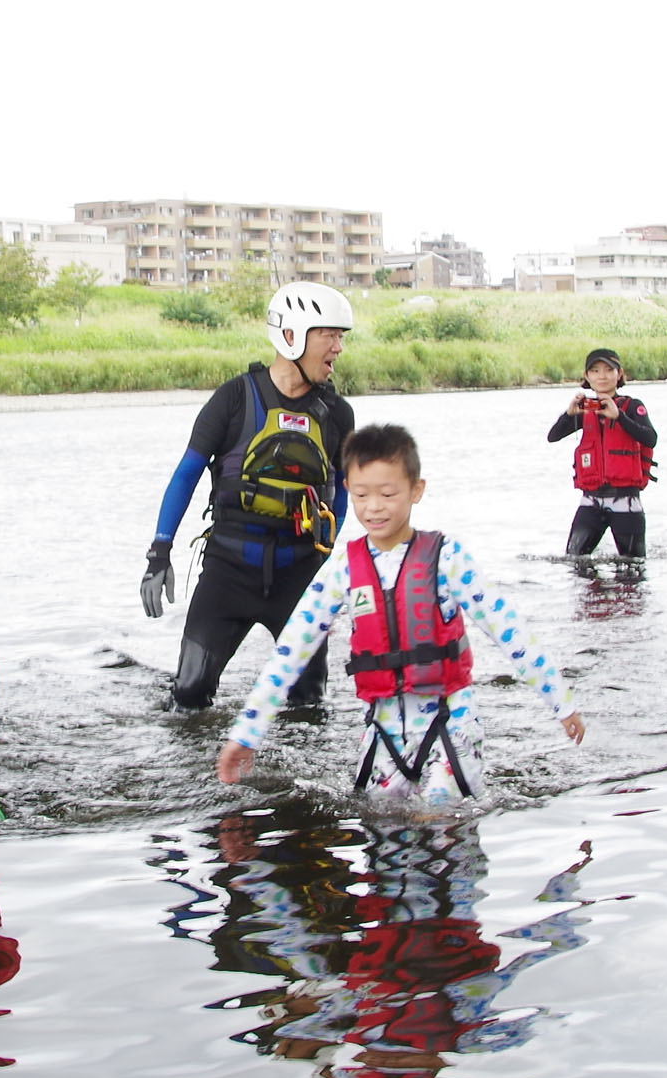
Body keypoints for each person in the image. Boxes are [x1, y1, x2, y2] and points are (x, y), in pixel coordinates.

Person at [216, 424, 585, 805]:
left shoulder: (448, 558)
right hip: (384, 729)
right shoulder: (343, 568)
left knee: (439, 813)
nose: (374, 507)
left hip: (451, 722)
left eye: (388, 494)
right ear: (347, 491)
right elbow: (291, 651)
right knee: (383, 826)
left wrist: (561, 701)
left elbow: (509, 631)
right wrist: (246, 734)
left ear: (416, 490)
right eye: (361, 495)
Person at [143, 282, 356, 709]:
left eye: (341, 337)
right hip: (228, 571)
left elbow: (347, 491)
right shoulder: (233, 399)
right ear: (291, 335)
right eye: (328, 335)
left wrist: (326, 557)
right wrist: (159, 554)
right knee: (188, 696)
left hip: (298, 576)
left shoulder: (338, 413)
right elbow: (186, 474)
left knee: (308, 707)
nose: (337, 348)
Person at [548, 347, 656, 556]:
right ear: (587, 376)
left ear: (619, 374)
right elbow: (552, 436)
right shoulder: (586, 410)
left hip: (626, 502)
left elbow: (651, 439)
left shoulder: (632, 407)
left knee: (632, 571)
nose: (602, 376)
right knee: (575, 561)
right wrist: (569, 414)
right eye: (595, 371)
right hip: (591, 501)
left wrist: (620, 417)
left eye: (609, 370)